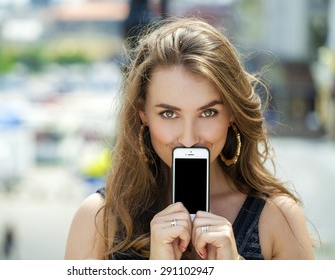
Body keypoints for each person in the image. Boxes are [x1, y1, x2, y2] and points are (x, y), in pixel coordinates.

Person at [64, 17, 314, 260]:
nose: (188, 138)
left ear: (231, 115)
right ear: (144, 115)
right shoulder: (98, 219)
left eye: (208, 112)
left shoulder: (278, 218)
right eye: (169, 114)